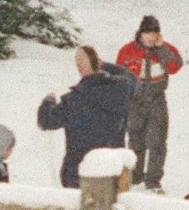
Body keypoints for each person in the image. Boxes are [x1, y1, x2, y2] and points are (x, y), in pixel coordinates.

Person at [34, 45, 136, 188]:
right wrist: (104, 65)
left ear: (79, 68)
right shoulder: (122, 90)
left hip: (79, 174)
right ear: (98, 64)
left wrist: (48, 101)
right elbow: (131, 76)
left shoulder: (73, 101)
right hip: (113, 171)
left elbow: (45, 121)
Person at [112, 15, 183, 191]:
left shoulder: (166, 49)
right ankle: (135, 177)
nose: (151, 37)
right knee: (135, 140)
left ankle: (153, 180)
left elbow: (174, 67)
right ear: (141, 34)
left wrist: (162, 49)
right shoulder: (127, 51)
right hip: (135, 102)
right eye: (148, 33)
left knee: (157, 141)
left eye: (155, 33)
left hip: (157, 99)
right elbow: (118, 76)